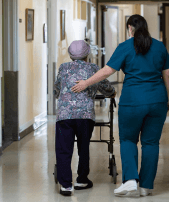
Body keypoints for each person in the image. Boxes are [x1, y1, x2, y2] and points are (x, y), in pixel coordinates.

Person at [71, 15, 169, 197]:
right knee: (151, 143)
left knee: (128, 140)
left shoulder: (125, 47)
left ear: (129, 28)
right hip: (158, 100)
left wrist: (86, 83)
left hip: (132, 102)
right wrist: (168, 99)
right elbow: (168, 75)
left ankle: (131, 181)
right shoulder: (159, 46)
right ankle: (146, 186)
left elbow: (108, 71)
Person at [54, 40, 116, 196]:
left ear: (70, 54)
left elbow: (56, 90)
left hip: (65, 115)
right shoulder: (93, 69)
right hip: (85, 116)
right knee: (83, 147)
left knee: (63, 149)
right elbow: (107, 87)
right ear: (87, 54)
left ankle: (66, 185)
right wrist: (112, 93)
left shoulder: (63, 68)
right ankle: (82, 179)